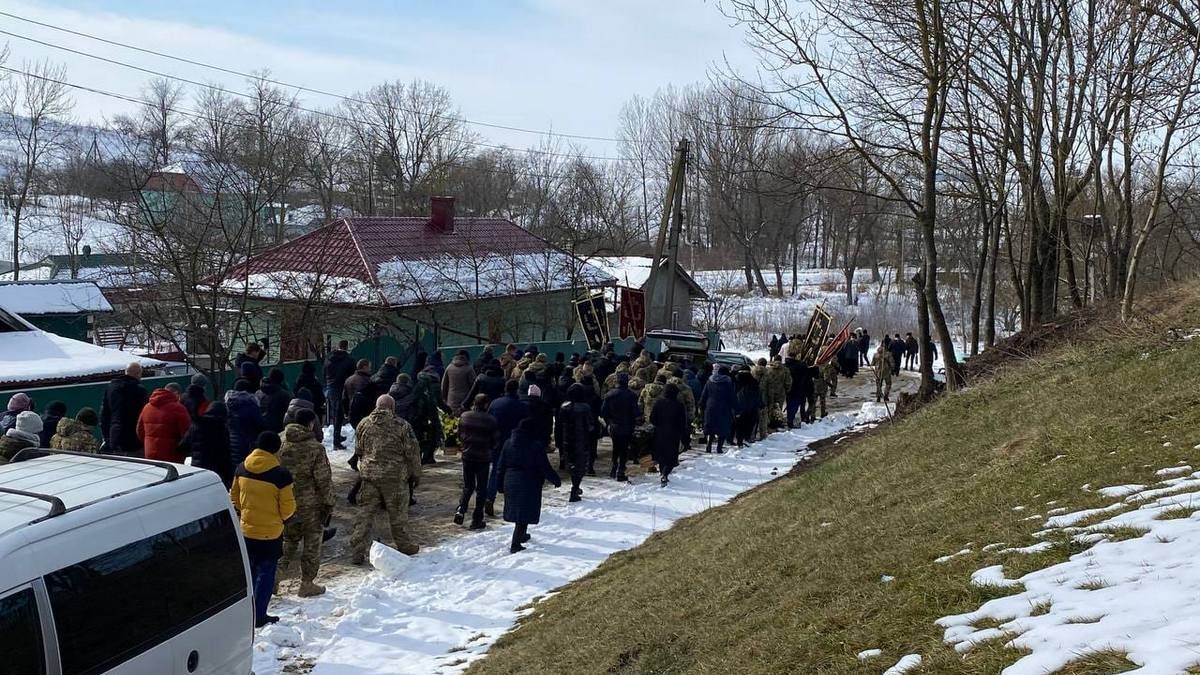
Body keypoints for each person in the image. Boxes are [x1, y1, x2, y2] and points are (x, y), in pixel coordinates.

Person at [229, 431, 296, 628]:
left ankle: (246, 612)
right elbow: (288, 508)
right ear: (276, 449)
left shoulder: (241, 468)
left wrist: (245, 514)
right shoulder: (280, 475)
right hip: (270, 533)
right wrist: (281, 520)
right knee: (265, 574)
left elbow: (234, 497)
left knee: (249, 573)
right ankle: (259, 616)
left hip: (246, 530)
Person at [350, 395, 423, 563]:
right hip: (395, 477)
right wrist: (416, 474)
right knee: (398, 515)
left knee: (365, 515)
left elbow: (359, 450)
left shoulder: (364, 424)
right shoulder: (402, 425)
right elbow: (412, 452)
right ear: (392, 408)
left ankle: (357, 551)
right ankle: (404, 545)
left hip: (369, 476)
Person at [278, 409, 334, 597]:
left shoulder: (280, 441)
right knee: (312, 543)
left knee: (288, 540)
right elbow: (323, 480)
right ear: (311, 424)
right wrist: (329, 502)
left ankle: (275, 577)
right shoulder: (315, 448)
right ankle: (307, 583)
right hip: (310, 505)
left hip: (285, 502)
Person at [496, 417, 561, 554]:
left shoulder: (508, 443)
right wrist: (555, 480)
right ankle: (515, 544)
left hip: (510, 480)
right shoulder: (535, 446)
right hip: (529, 481)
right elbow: (544, 466)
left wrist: (499, 483)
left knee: (520, 511)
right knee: (523, 513)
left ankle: (522, 535)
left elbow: (500, 466)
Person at [486, 379, 530, 515]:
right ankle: (511, 502)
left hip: (497, 442)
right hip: (513, 443)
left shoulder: (495, 403)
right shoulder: (521, 406)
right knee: (513, 472)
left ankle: (490, 497)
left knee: (495, 471)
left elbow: (488, 421)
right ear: (517, 390)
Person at [455, 394, 497, 529]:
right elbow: (495, 440)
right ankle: (477, 518)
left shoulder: (465, 416)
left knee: (468, 485)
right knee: (481, 488)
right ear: (486, 404)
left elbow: (459, 435)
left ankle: (461, 509)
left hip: (467, 455)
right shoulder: (490, 420)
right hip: (483, 457)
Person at [556, 383, 596, 502]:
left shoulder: (564, 407)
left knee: (571, 463)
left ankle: (575, 487)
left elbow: (559, 424)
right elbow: (590, 426)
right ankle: (575, 488)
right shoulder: (585, 408)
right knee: (580, 465)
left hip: (567, 439)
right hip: (581, 440)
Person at [101, 363, 149, 456]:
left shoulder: (111, 388)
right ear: (138, 374)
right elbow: (144, 417)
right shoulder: (140, 390)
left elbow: (104, 415)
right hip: (134, 441)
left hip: (115, 438)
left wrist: (107, 438)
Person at [182, 401, 234, 488]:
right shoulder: (221, 428)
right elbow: (225, 453)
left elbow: (184, 445)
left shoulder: (196, 425)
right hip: (216, 471)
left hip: (198, 467)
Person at [600, 372, 640, 482]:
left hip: (614, 426)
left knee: (616, 447)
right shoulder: (632, 396)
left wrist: (609, 421)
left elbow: (603, 412)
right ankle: (621, 470)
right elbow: (636, 412)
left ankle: (614, 467)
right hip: (627, 426)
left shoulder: (609, 395)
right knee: (624, 449)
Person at [137, 386, 192, 463]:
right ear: (176, 394)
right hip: (172, 454)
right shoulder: (179, 408)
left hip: (150, 452)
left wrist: (149, 442)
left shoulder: (146, 407)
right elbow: (186, 433)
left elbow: (139, 430)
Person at [651, 383, 689, 486]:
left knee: (661, 455)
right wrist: (684, 436)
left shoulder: (658, 403)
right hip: (673, 434)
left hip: (659, 433)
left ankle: (662, 473)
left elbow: (652, 418)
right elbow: (682, 423)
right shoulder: (679, 405)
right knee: (671, 457)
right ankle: (665, 474)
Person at [324, 340, 356, 450]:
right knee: (339, 415)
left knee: (335, 413)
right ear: (347, 347)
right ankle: (336, 442)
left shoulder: (329, 358)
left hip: (330, 387)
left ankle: (336, 436)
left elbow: (324, 372)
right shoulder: (349, 360)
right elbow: (352, 375)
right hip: (342, 388)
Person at [411, 365, 446, 465]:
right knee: (431, 438)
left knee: (421, 438)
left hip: (419, 417)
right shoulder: (433, 387)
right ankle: (428, 457)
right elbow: (439, 402)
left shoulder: (416, 386)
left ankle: (421, 457)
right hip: (430, 416)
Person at [226, 379, 265, 466]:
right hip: (247, 442)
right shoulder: (251, 404)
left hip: (231, 440)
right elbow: (259, 423)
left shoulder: (228, 403)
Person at [700, 365, 735, 454]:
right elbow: (732, 397)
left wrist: (701, 405)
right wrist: (736, 408)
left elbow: (704, 395)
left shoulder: (709, 381)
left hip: (710, 407)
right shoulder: (728, 383)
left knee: (710, 427)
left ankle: (709, 445)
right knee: (722, 428)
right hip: (724, 408)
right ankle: (719, 448)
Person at [441, 350, 477, 416]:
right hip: (464, 403)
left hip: (451, 401)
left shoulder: (449, 367)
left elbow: (444, 385)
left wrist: (445, 399)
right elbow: (474, 386)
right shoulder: (469, 369)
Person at [344, 359, 376, 431]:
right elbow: (371, 399)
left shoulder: (349, 380)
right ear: (364, 367)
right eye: (369, 367)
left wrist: (346, 412)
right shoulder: (367, 381)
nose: (370, 369)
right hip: (364, 413)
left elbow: (344, 398)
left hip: (352, 411)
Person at [734, 370, 763, 447]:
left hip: (739, 408)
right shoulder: (754, 384)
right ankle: (746, 438)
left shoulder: (737, 383)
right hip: (752, 409)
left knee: (739, 426)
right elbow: (758, 396)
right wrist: (760, 404)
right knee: (749, 425)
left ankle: (740, 441)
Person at [763, 355, 791, 431]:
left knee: (770, 406)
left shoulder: (769, 369)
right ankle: (777, 422)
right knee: (778, 408)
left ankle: (769, 422)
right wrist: (787, 390)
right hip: (780, 392)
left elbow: (765, 381)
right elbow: (788, 382)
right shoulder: (785, 370)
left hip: (770, 392)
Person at [294, 361, 326, 426]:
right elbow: (321, 398)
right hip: (315, 411)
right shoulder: (315, 383)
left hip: (300, 413)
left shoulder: (298, 382)